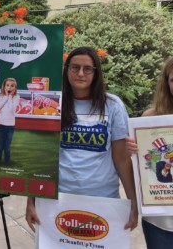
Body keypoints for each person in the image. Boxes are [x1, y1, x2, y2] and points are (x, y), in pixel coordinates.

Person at [25, 47, 138, 233]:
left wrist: (133, 203)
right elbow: (41, 156)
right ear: (66, 70)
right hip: (57, 200)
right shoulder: (52, 103)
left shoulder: (112, 105)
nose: (80, 73)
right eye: (74, 67)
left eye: (87, 69)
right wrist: (31, 200)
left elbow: (121, 159)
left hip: (103, 200)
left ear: (96, 73)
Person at [126, 56, 173, 248]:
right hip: (158, 221)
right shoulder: (150, 117)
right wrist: (133, 150)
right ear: (166, 82)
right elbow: (143, 167)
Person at [0, 78, 19, 163]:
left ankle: (7, 162)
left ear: (15, 88)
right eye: (7, 85)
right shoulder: (1, 96)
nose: (9, 87)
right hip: (0, 124)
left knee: (7, 146)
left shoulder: (16, 97)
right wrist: (6, 96)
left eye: (12, 86)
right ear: (4, 87)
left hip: (10, 126)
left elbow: (11, 109)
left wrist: (9, 97)